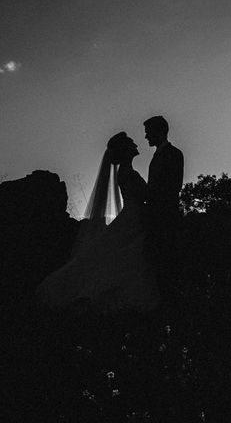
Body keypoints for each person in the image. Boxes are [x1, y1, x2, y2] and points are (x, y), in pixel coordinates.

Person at [36, 132, 159, 313]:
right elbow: (144, 195)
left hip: (134, 216)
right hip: (134, 217)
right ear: (125, 150)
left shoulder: (126, 171)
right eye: (131, 143)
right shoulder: (127, 172)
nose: (136, 144)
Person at [143, 116, 184, 306]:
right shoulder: (157, 156)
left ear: (160, 131)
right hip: (154, 217)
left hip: (166, 218)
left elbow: (173, 186)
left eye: (148, 132)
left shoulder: (174, 154)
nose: (145, 137)